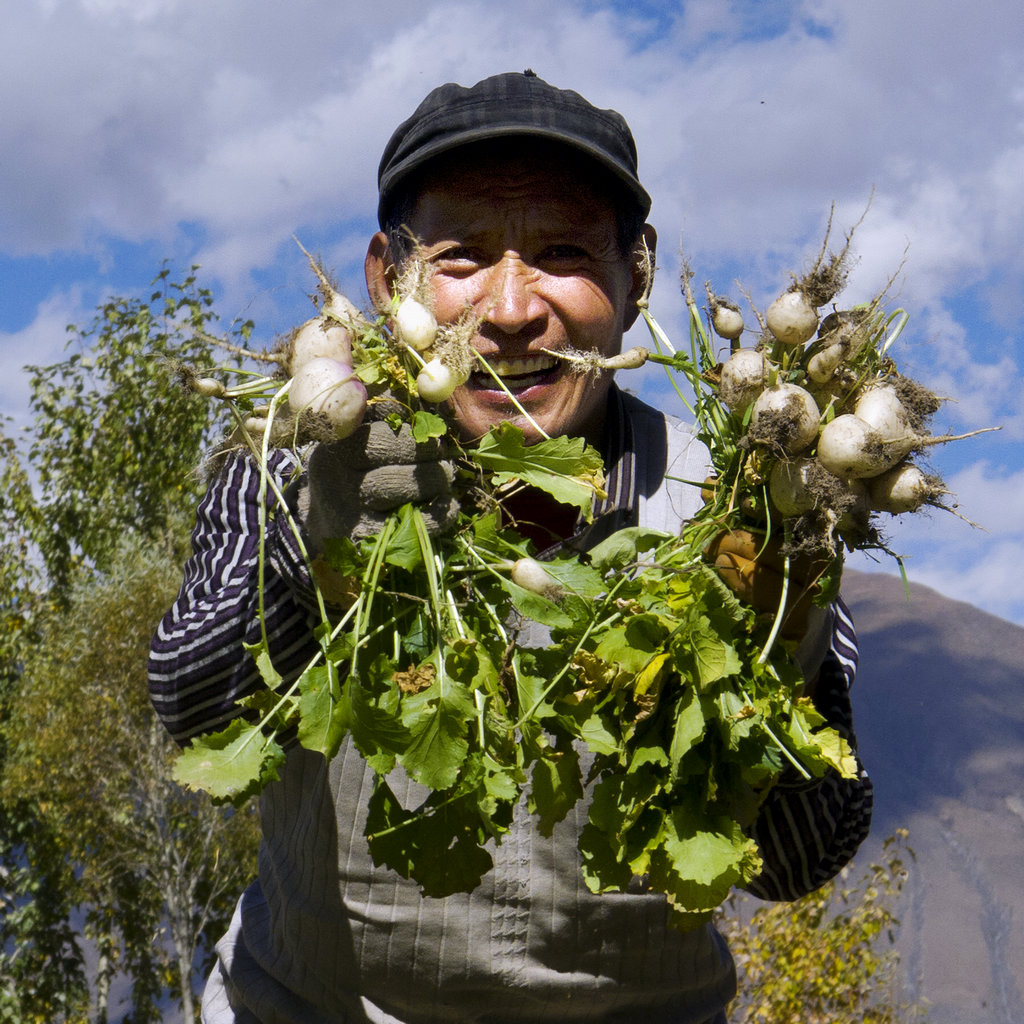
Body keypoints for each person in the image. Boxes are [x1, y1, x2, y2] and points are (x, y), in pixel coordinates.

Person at [149, 71, 872, 1024]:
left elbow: (800, 862)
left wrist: (789, 628)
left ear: (636, 275)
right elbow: (196, 722)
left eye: (564, 252)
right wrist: (312, 556)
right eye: (461, 257)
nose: (512, 309)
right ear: (385, 279)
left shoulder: (738, 502)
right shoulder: (289, 461)